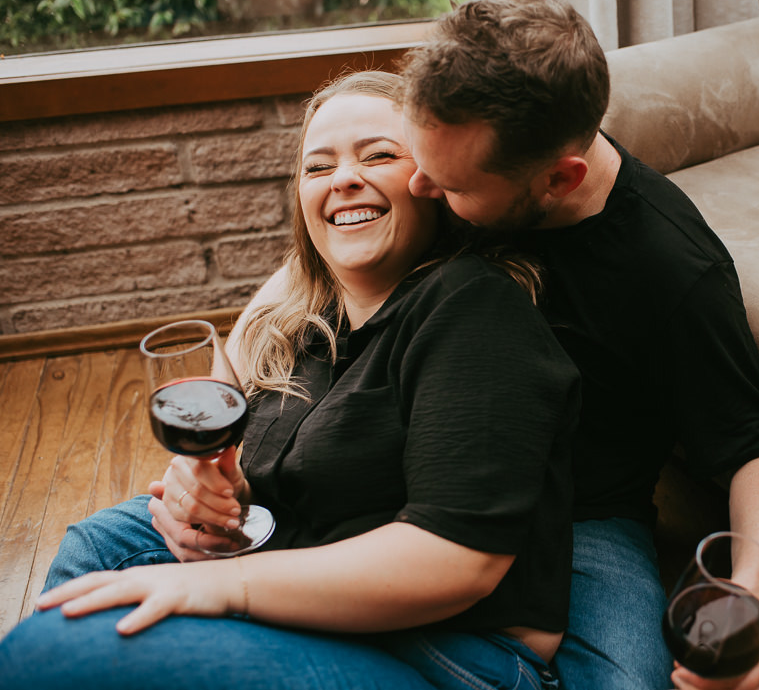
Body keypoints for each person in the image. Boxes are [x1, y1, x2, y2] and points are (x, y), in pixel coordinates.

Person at [207, 0, 759, 690]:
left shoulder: (672, 271)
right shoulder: (450, 153)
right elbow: (302, 270)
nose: (416, 182)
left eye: (446, 183)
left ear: (559, 179)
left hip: (579, 512)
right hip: (402, 458)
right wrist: (220, 444)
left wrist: (749, 603)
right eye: (412, 153)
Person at [0, 70, 582, 690]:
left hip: (449, 652)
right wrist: (215, 498)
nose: (343, 179)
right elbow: (302, 481)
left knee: (48, 653)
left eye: (378, 155)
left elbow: (454, 562)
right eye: (317, 167)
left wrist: (218, 586)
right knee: (96, 546)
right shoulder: (309, 323)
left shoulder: (475, 311)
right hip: (310, 584)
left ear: (434, 182)